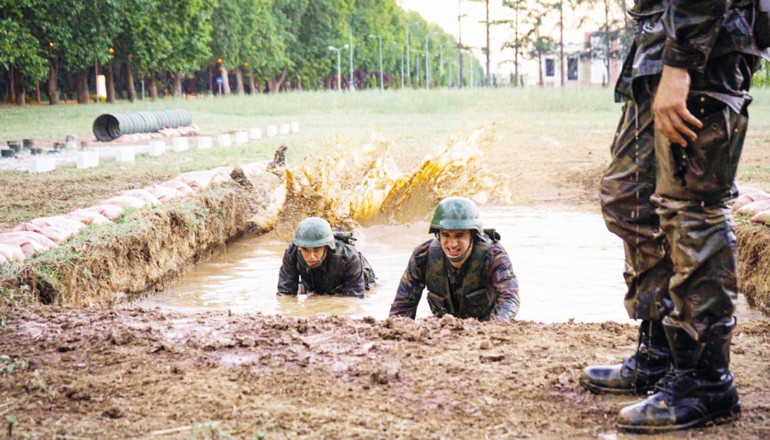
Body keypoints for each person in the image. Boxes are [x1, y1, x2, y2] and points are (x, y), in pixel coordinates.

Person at [581, 0, 769, 433]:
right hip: (659, 37)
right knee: (630, 197)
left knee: (693, 211)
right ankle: (660, 353)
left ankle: (704, 380)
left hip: (705, 39)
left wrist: (681, 61)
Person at [389, 196, 519, 322]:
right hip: (443, 328)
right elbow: (402, 308)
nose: (452, 244)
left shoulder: (493, 256)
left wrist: (493, 328)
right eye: (446, 235)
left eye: (459, 235)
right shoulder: (423, 256)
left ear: (473, 235)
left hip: (483, 327)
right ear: (438, 235)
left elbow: (509, 299)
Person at [277, 217, 375, 298]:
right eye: (305, 249)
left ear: (326, 247)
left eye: (316, 249)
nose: (311, 256)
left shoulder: (348, 256)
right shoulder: (292, 253)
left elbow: (354, 300)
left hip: (352, 281)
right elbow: (285, 294)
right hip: (314, 282)